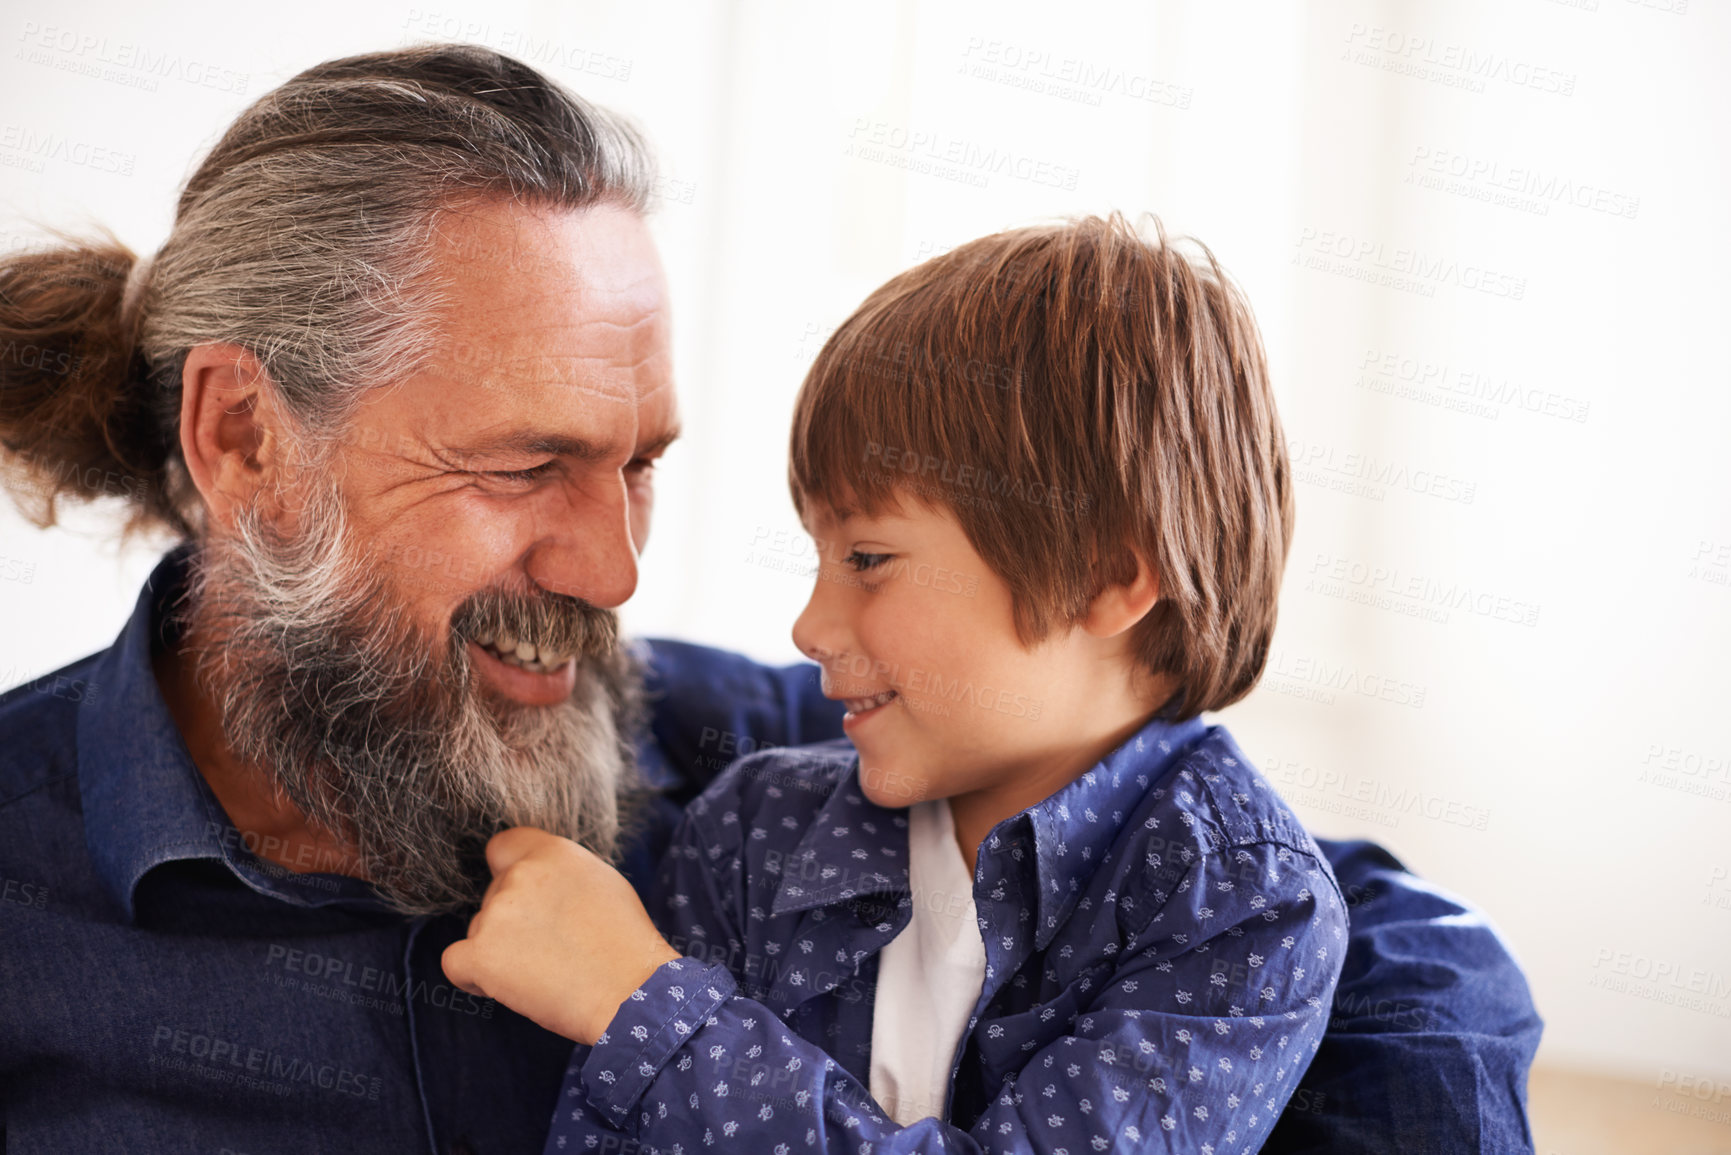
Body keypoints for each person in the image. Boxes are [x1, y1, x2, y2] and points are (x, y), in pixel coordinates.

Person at [0, 43, 1540, 1155]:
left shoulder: (752, 761)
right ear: (242, 438)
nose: (611, 570)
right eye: (526, 462)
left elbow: (1396, 937)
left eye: (639, 465)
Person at [442, 215, 1353, 1153]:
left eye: (868, 558)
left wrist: (649, 1012)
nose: (808, 628)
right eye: (819, 557)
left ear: (1107, 577)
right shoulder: (752, 830)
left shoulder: (1240, 901)